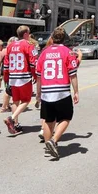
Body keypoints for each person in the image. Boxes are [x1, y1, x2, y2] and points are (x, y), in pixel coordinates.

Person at [35, 27, 79, 159]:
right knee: (66, 117)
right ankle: (53, 141)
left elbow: (38, 75)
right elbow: (73, 75)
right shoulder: (68, 52)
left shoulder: (44, 52)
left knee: (49, 120)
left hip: (47, 91)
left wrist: (38, 93)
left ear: (52, 38)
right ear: (64, 38)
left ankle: (48, 146)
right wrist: (76, 91)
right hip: (62, 91)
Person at [3, 26, 37, 135]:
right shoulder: (29, 45)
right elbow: (33, 63)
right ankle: (11, 118)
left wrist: (6, 78)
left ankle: (15, 125)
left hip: (13, 77)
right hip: (24, 76)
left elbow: (6, 65)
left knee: (15, 101)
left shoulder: (10, 46)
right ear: (26, 34)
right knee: (26, 100)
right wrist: (35, 76)